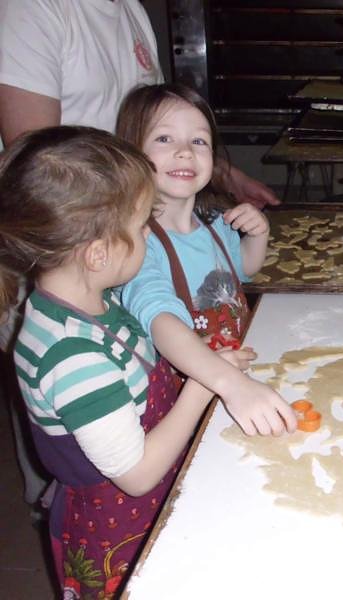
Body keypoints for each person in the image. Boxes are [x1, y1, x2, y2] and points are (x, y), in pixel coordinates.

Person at [0, 126, 256, 597]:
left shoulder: (92, 301)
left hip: (148, 500)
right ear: (98, 254)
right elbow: (136, 475)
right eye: (141, 228)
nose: (148, 236)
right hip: (117, 532)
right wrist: (203, 383)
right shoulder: (71, 355)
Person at [116, 83, 296, 437]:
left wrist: (258, 236)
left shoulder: (215, 223)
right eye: (164, 139)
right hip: (187, 393)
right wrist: (231, 384)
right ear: (131, 153)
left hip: (238, 375)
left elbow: (244, 269)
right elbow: (161, 320)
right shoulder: (137, 244)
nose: (185, 152)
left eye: (198, 141)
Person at [0, 0, 279, 208]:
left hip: (125, 213)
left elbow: (159, 124)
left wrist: (224, 175)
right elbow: (37, 161)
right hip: (66, 225)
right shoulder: (31, 7)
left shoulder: (132, 10)